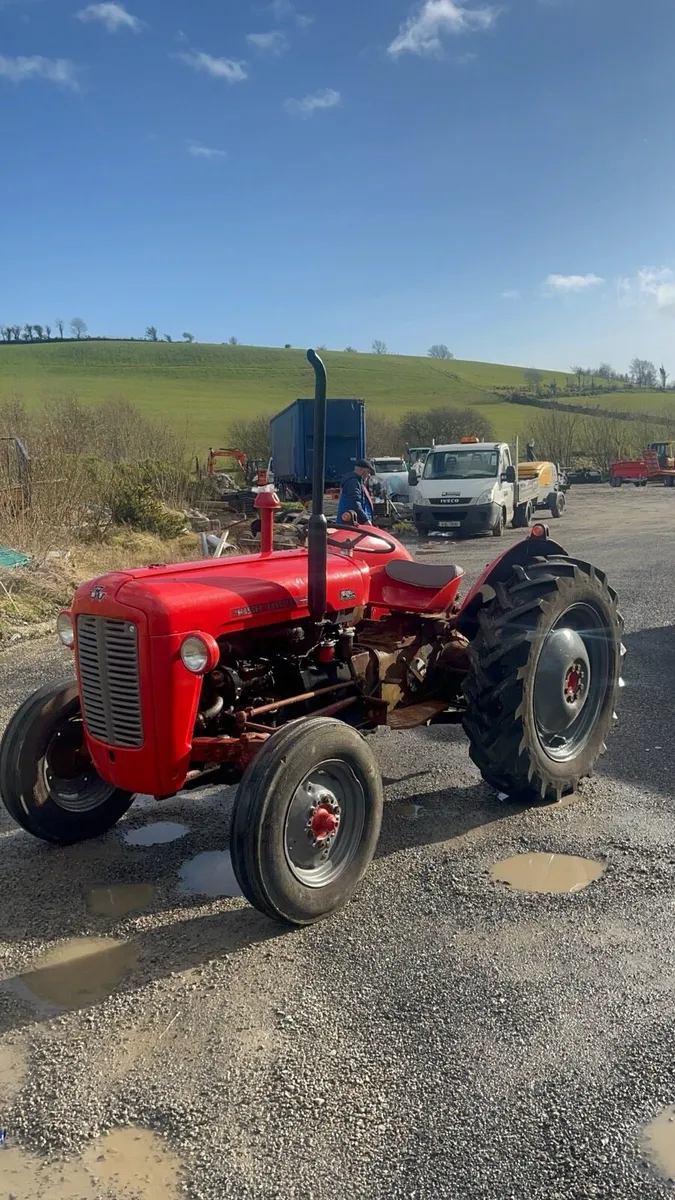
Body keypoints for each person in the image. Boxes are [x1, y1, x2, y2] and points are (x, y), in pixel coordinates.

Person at [336, 458, 375, 526]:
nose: (369, 475)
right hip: (350, 524)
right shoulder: (353, 483)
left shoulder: (356, 482)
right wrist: (365, 520)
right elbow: (354, 503)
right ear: (362, 470)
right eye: (368, 472)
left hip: (352, 522)